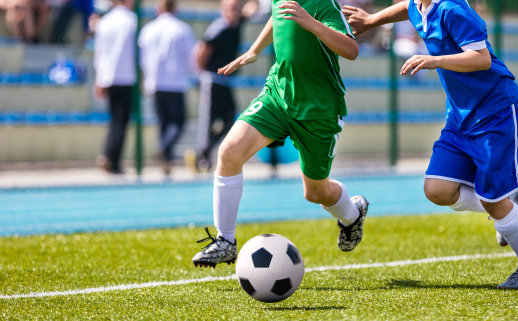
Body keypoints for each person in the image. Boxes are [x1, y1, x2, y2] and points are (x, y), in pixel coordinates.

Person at [343, 0, 518, 289]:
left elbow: (481, 59)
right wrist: (371, 20)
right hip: (460, 116)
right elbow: (408, 8)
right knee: (437, 189)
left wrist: (434, 60)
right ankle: (508, 203)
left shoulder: (452, 9)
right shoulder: (420, 5)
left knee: (492, 199)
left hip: (497, 113)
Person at [192, 0, 369, 268]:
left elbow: (351, 49)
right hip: (278, 95)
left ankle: (352, 214)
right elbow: (278, 16)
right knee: (229, 152)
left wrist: (311, 23)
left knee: (315, 192)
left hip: (318, 110)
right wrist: (254, 50)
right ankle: (225, 240)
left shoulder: (324, 4)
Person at [138, 0, 196, 175]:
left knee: (163, 124)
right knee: (178, 122)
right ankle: (164, 148)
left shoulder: (147, 30)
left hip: (155, 82)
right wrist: (195, 77)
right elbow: (191, 57)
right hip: (175, 83)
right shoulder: (182, 29)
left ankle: (166, 160)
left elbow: (142, 59)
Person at [193, 0, 252, 172]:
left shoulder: (237, 23)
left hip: (225, 81)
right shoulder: (218, 28)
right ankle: (202, 156)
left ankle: (206, 150)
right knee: (209, 120)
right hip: (213, 80)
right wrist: (203, 76)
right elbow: (202, 52)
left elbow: (253, 7)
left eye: (236, 8)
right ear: (223, 10)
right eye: (230, 8)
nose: (234, 11)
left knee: (229, 120)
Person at [93, 0, 136, 174]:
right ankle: (112, 158)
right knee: (121, 120)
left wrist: (99, 78)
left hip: (109, 76)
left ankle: (110, 155)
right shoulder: (132, 20)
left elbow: (99, 53)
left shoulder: (104, 21)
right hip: (126, 76)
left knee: (114, 118)